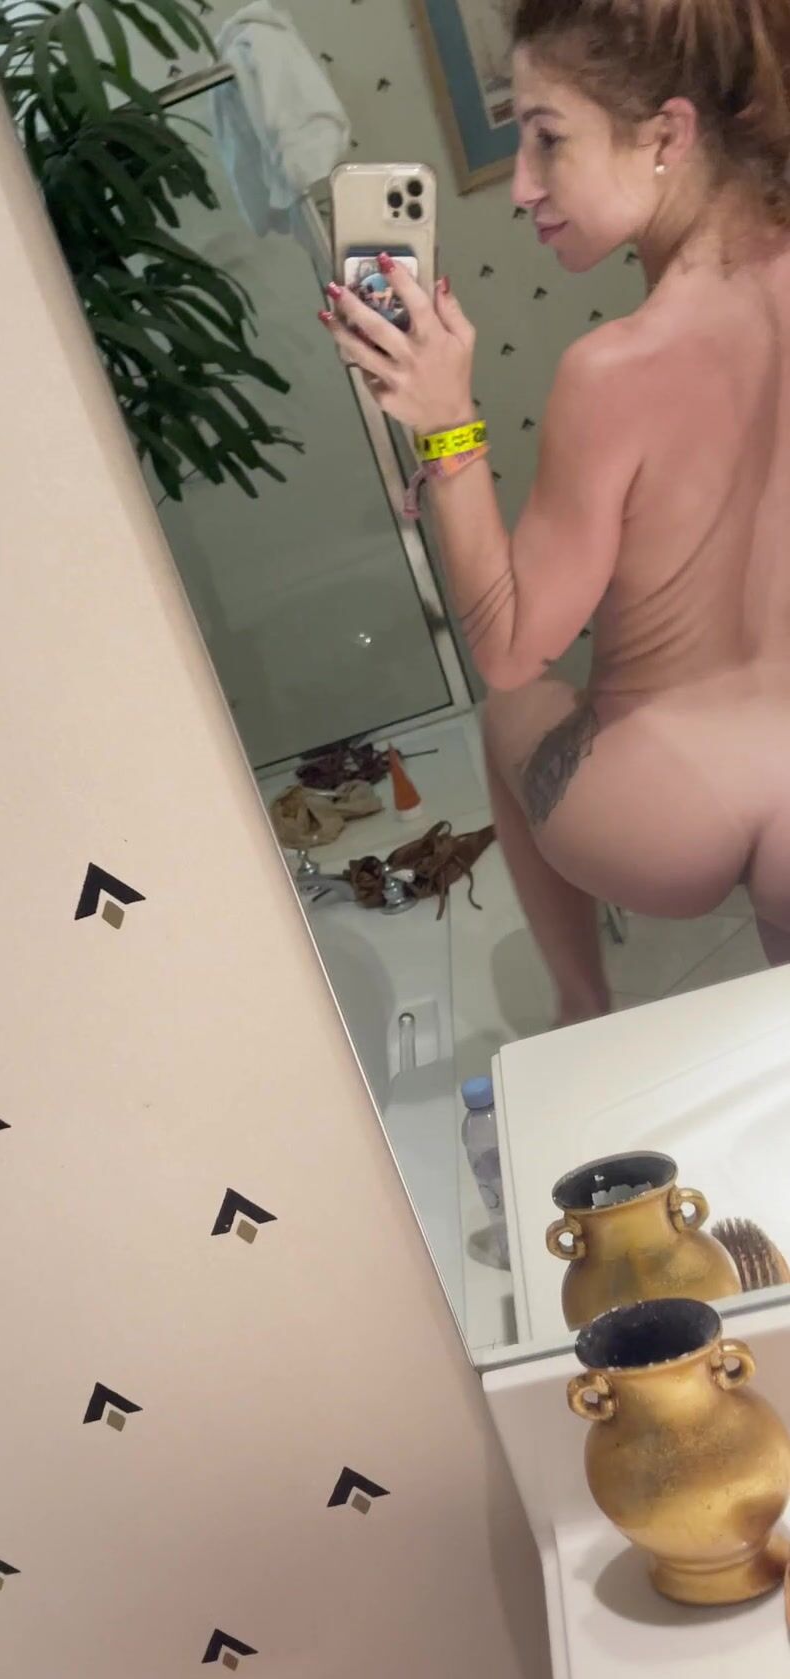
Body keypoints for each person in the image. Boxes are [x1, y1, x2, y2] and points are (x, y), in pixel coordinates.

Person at [320, 0, 790, 1027]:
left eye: (547, 138)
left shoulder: (614, 369)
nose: (523, 185)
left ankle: (582, 1002)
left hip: (661, 811)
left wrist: (447, 429)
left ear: (666, 134)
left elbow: (511, 647)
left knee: (505, 715)